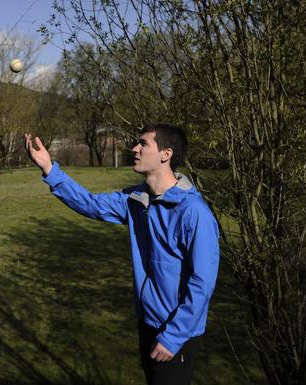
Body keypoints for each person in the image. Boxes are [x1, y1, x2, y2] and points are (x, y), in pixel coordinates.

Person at [24, 123, 219, 385]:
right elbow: (91, 204)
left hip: (177, 333)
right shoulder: (137, 200)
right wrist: (49, 169)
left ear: (166, 154)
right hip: (148, 324)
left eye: (143, 144)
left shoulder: (193, 212)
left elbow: (202, 283)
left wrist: (173, 337)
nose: (134, 148)